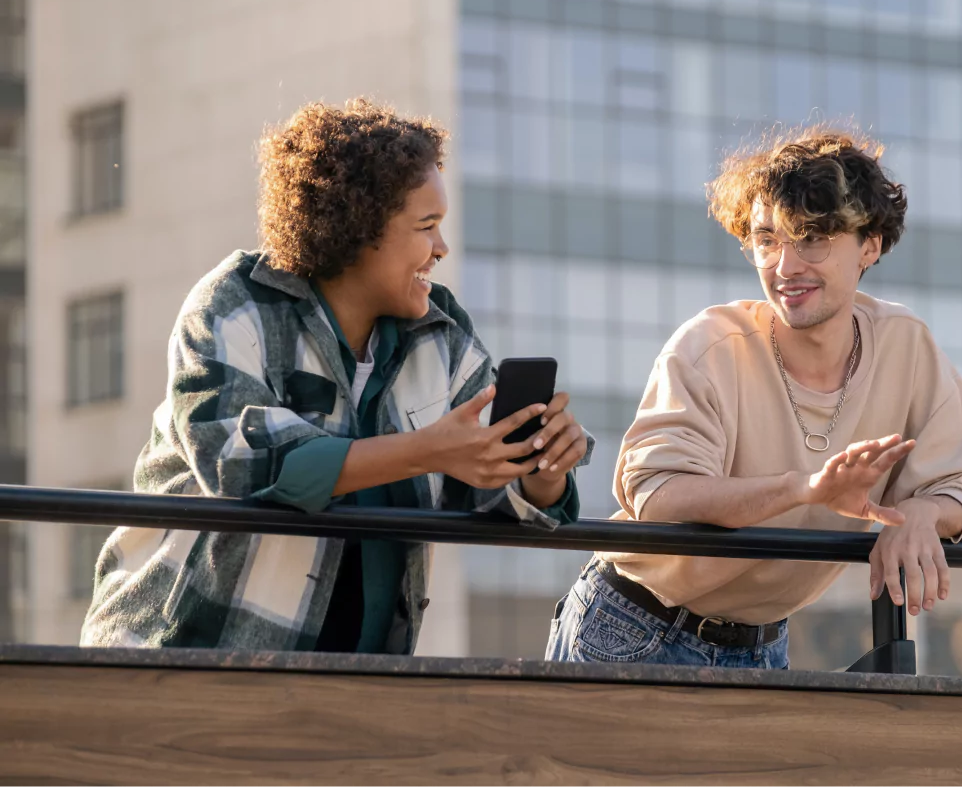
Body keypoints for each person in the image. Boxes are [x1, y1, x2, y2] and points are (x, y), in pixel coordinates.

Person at [82, 99, 591, 652]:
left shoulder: (442, 334)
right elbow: (243, 467)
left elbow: (488, 488)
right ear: (359, 228)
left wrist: (543, 467)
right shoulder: (233, 305)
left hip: (358, 679)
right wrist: (426, 450)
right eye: (427, 226)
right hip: (179, 657)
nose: (441, 248)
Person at [546, 127, 962, 669]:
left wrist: (923, 513)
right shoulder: (711, 346)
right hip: (636, 625)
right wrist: (804, 490)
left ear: (871, 243)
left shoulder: (906, 346)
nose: (786, 267)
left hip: (764, 643)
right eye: (767, 240)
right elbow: (658, 494)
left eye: (812, 238)